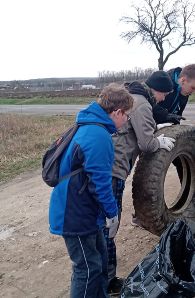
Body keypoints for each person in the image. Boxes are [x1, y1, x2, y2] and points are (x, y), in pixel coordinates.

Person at [48, 84, 134, 298]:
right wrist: (112, 213)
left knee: (100, 260)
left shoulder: (91, 125)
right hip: (75, 213)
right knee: (86, 268)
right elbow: (101, 182)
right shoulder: (98, 135)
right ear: (117, 112)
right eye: (128, 115)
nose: (127, 121)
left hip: (86, 210)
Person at [104, 71, 175, 294]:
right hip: (114, 171)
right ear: (156, 90)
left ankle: (101, 276)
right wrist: (158, 141)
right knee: (110, 225)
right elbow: (146, 144)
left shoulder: (132, 97)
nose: (163, 99)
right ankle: (107, 281)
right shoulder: (143, 104)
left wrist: (154, 130)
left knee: (104, 224)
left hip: (106, 164)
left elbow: (134, 130)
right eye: (164, 94)